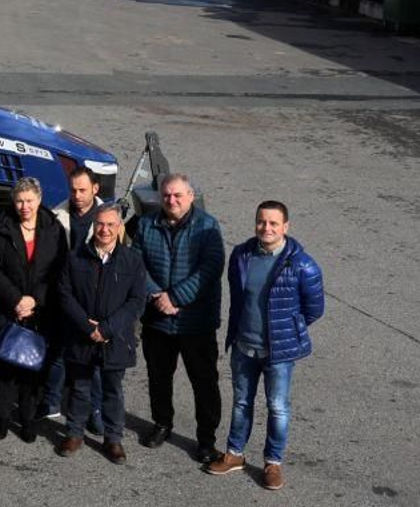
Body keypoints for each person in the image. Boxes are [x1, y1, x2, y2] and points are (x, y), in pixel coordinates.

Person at [206, 201, 325, 490]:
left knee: (277, 408)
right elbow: (237, 298)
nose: (266, 228)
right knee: (241, 403)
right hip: (244, 346)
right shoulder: (242, 255)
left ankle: (273, 462)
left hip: (278, 352)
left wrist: (287, 331)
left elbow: (314, 309)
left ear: (286, 227)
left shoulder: (303, 265)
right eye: (261, 222)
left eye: (273, 223)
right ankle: (235, 454)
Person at [130, 173, 226, 463]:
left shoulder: (207, 227)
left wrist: (176, 297)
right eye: (167, 195)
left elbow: (210, 269)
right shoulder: (146, 224)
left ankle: (206, 440)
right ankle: (162, 424)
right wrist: (157, 295)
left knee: (204, 382)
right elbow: (136, 264)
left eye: (178, 195)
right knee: (159, 377)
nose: (171, 200)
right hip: (157, 319)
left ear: (191, 197)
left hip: (196, 322)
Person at [54, 205, 146, 463]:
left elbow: (137, 301)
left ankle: (113, 438)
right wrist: (87, 325)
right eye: (100, 225)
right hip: (81, 336)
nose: (104, 230)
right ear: (94, 226)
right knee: (80, 388)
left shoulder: (132, 260)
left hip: (115, 339)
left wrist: (106, 328)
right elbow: (64, 294)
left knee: (112, 391)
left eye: (110, 225)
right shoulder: (75, 258)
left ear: (119, 228)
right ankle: (74, 433)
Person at [0, 176, 69, 443]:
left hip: (40, 312)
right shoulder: (2, 226)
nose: (24, 206)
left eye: (29, 200)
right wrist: (16, 299)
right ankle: (2, 417)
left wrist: (35, 300)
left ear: (39, 200)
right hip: (7, 309)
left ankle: (28, 419)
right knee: (5, 367)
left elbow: (58, 270)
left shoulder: (52, 228)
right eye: (19, 201)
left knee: (33, 369)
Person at [44, 168, 106, 424]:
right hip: (64, 295)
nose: (77, 195)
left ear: (95, 189)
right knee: (58, 352)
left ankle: (95, 410)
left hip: (94, 297)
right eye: (73, 190)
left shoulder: (108, 219)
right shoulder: (57, 216)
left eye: (82, 190)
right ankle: (51, 403)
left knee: (95, 358)